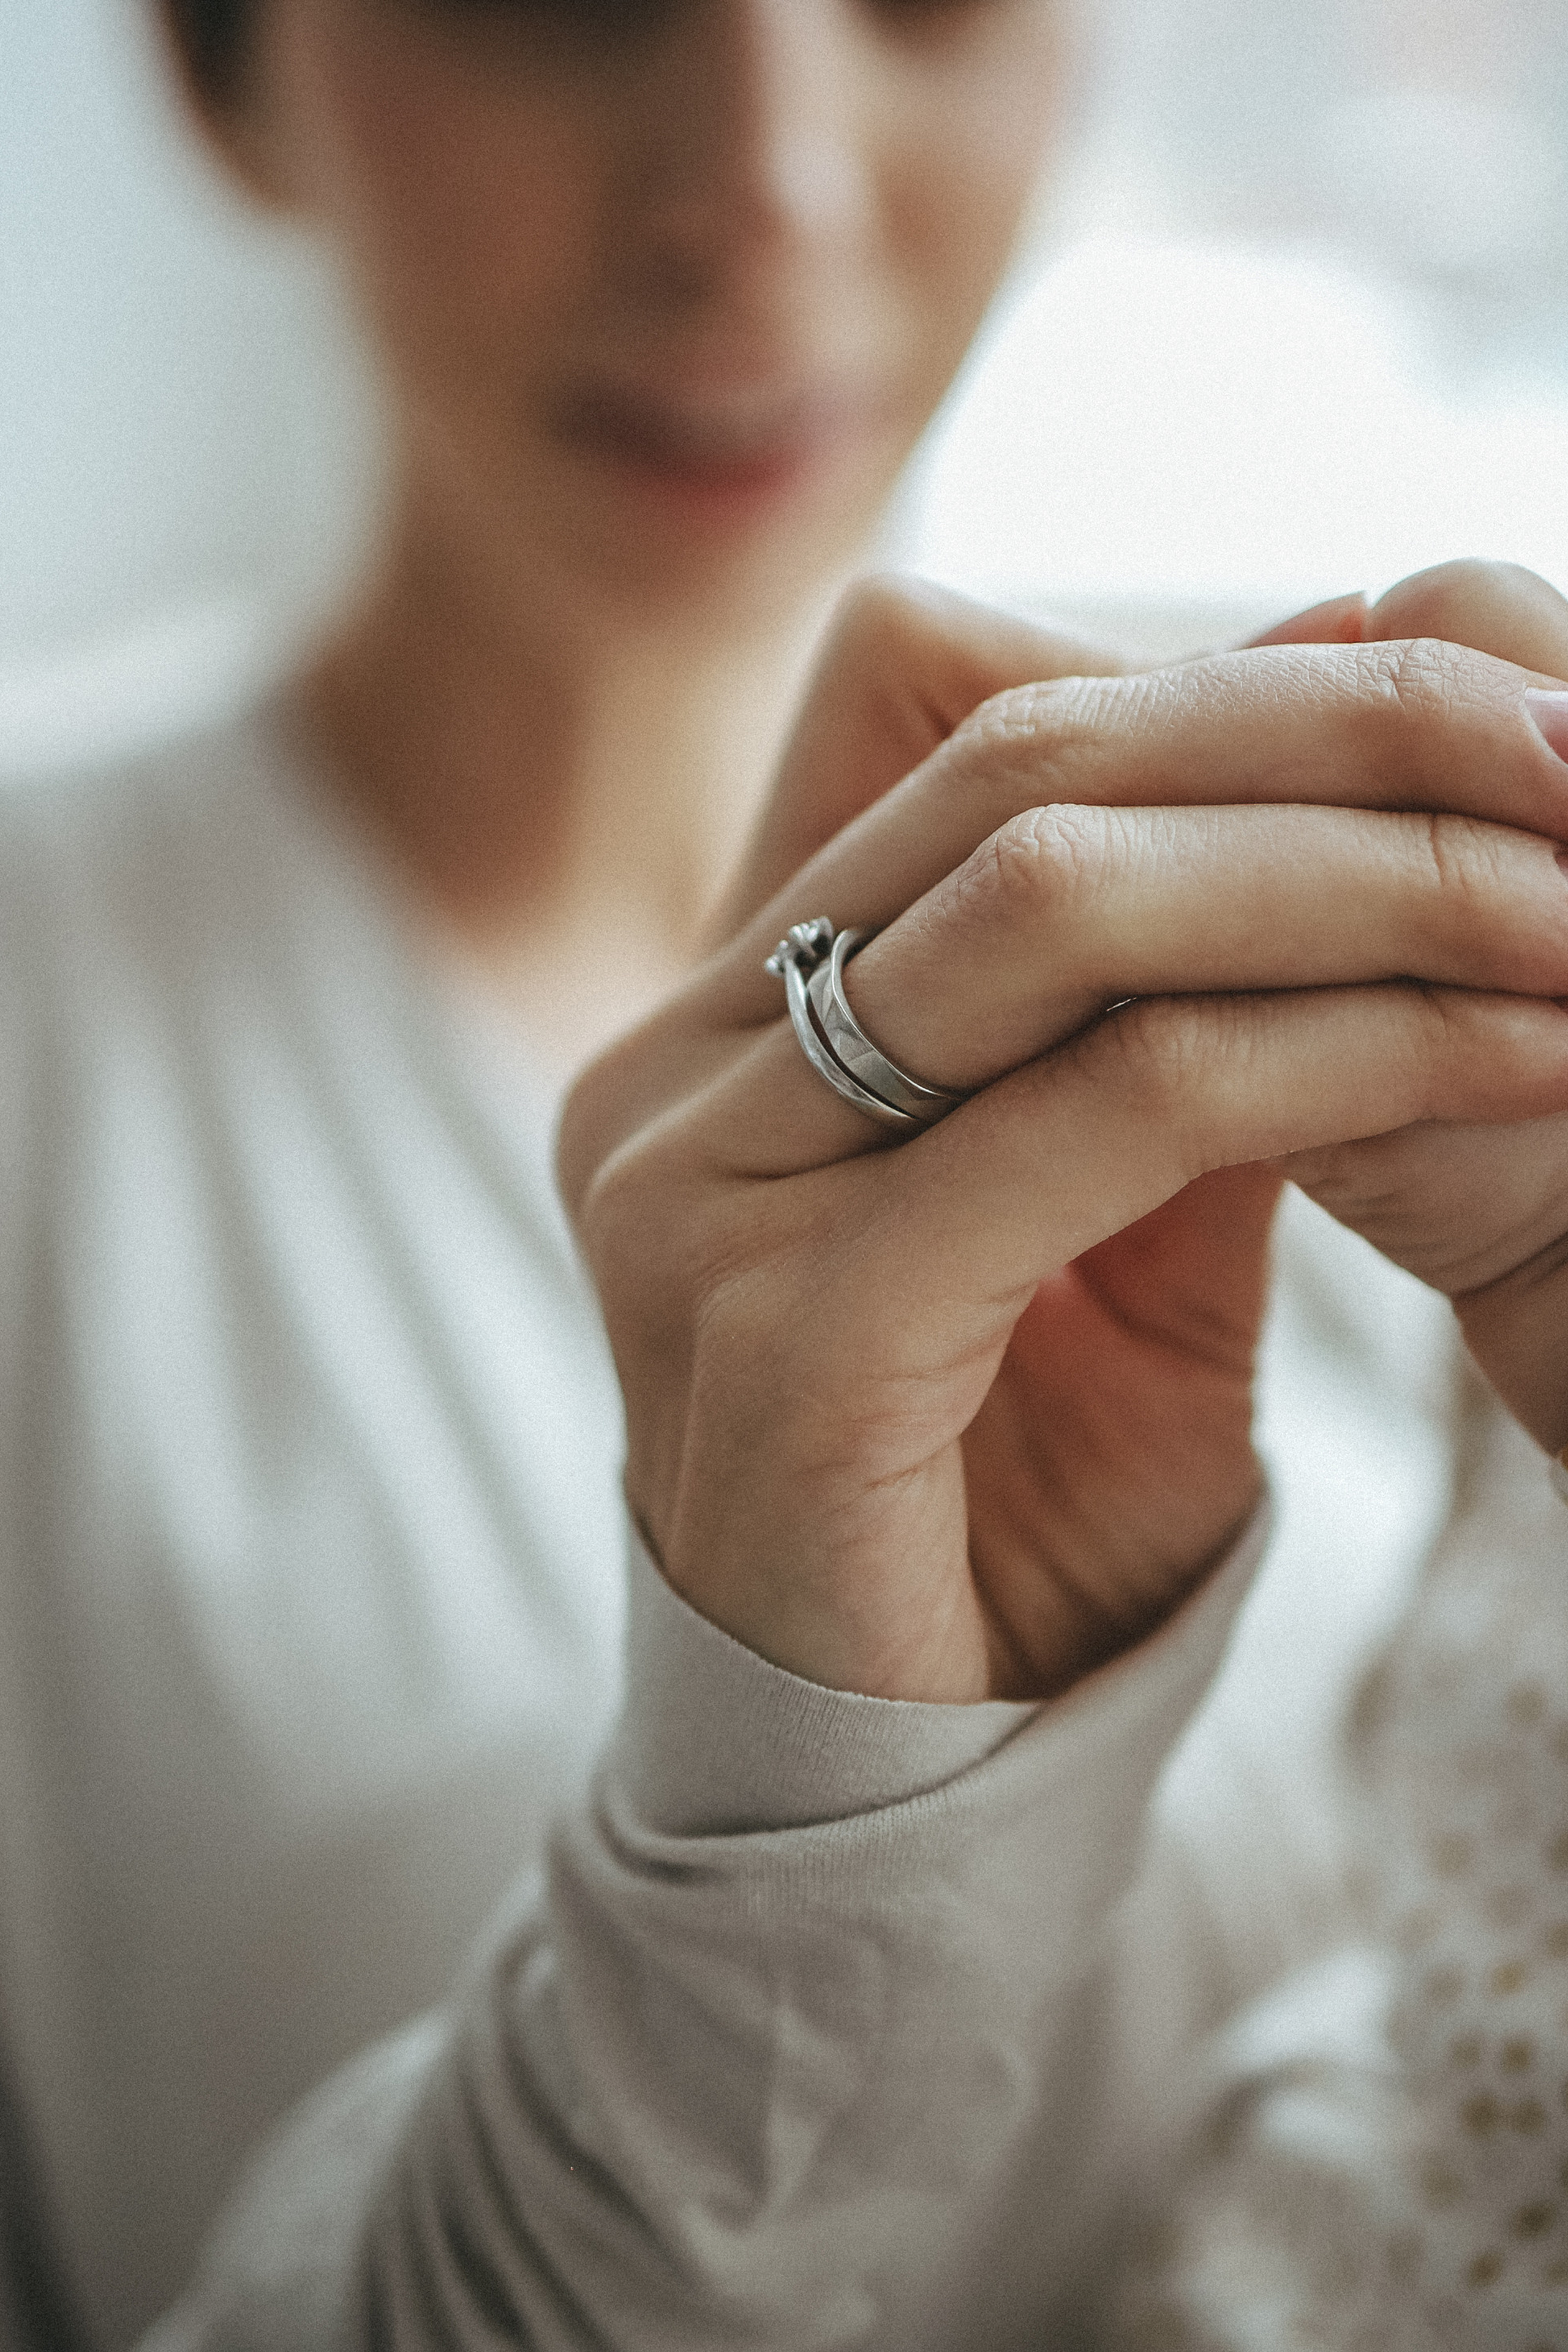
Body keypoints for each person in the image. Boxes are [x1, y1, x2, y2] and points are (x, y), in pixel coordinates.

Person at [5, 9, 1567, 2352]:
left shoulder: (1258, 889)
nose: (768, 189)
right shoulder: (64, 1035)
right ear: (229, 76)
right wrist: (777, 1867)